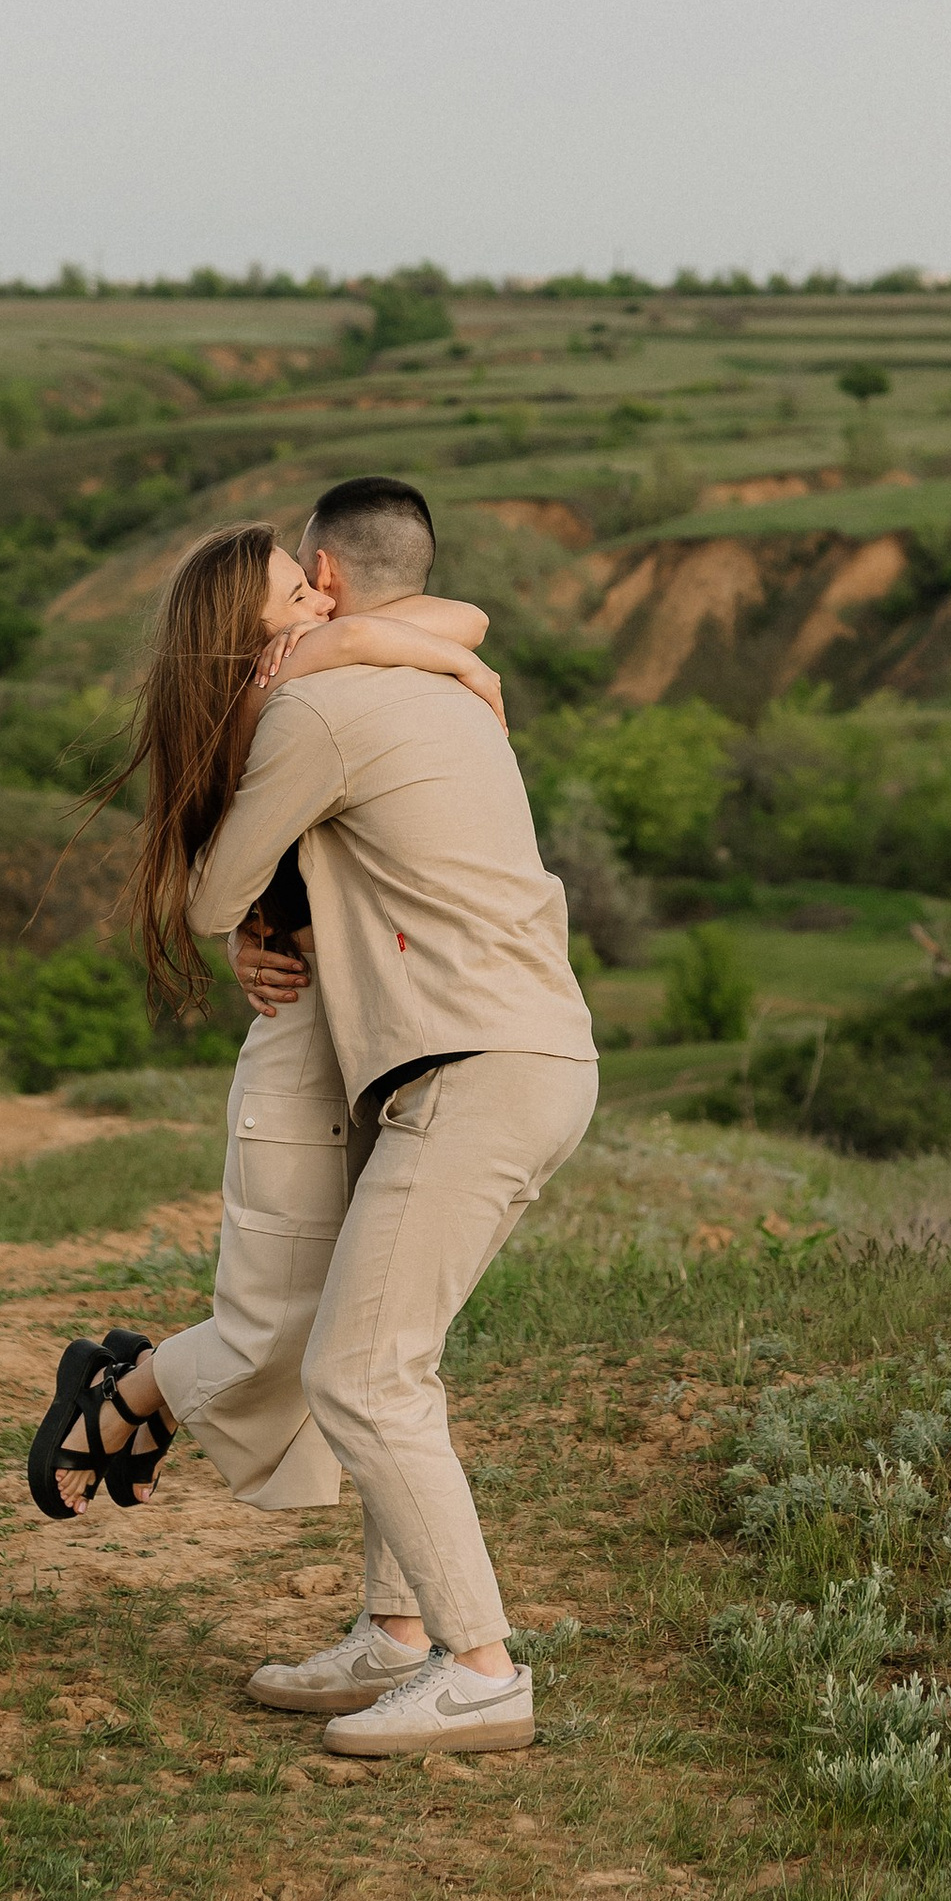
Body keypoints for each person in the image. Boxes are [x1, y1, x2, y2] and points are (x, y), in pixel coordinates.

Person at [34, 474, 597, 1761]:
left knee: (361, 1372)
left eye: (306, 582)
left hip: (473, 1066)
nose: (305, 604)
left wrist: (241, 920)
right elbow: (458, 628)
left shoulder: (317, 707)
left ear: (325, 582)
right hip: (515, 1053)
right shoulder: (411, 675)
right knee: (393, 1360)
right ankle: (396, 1634)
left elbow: (209, 892)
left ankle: (480, 1671)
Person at [27, 508, 503, 1533]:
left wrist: (361, 638)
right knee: (277, 1331)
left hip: (376, 1037)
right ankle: (125, 1395)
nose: (325, 604)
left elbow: (466, 615)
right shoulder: (280, 707)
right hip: (302, 1043)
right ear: (248, 643)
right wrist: (374, 648)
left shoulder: (319, 664)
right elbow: (214, 895)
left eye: (315, 586)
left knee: (366, 1339)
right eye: (299, 597)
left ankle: (142, 1397)